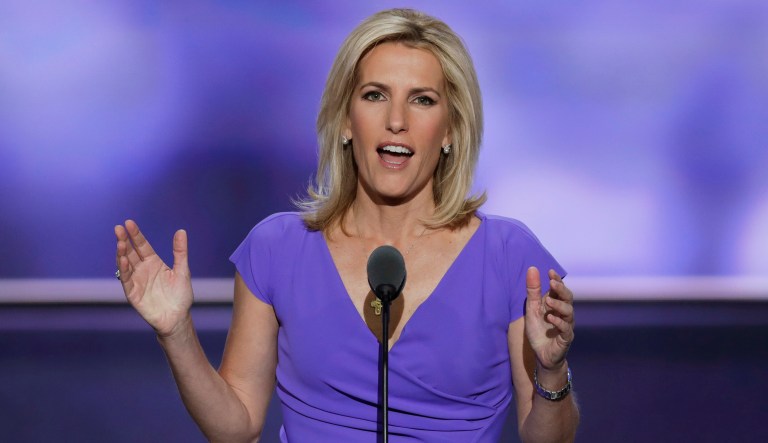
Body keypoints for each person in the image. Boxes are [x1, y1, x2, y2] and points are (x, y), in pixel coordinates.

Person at [115, 8, 579, 442]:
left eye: (422, 100)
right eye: (375, 95)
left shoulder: (508, 256)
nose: (396, 121)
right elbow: (238, 426)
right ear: (345, 121)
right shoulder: (277, 248)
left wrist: (552, 371)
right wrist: (175, 333)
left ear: (452, 131)